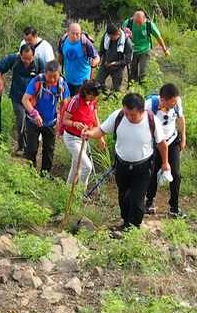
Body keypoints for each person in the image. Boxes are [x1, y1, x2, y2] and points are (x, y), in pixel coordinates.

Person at [84, 93, 170, 230]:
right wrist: (90, 133)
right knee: (123, 196)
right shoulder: (118, 116)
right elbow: (101, 131)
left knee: (137, 199)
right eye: (126, 113)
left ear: (142, 111)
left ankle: (133, 228)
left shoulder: (151, 120)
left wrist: (165, 163)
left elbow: (162, 144)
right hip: (122, 164)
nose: (129, 117)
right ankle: (125, 222)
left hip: (143, 166)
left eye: (133, 115)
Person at [144, 83, 187, 218]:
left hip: (172, 140)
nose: (174, 105)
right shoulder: (149, 105)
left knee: (176, 174)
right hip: (155, 143)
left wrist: (183, 136)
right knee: (153, 172)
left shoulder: (177, 102)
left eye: (175, 102)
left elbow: (180, 119)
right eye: (171, 103)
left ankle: (174, 208)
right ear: (163, 99)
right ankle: (149, 202)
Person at [0, 45, 44, 154]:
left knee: (32, 122)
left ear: (33, 56)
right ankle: (21, 146)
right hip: (17, 97)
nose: (26, 61)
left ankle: (31, 148)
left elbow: (47, 77)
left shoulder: (39, 62)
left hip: (33, 99)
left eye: (29, 59)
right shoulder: (14, 59)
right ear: (20, 55)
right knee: (21, 121)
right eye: (24, 58)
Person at [21, 60, 70, 174]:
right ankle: (31, 173)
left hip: (50, 122)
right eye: (49, 77)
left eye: (55, 77)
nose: (52, 80)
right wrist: (35, 113)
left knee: (49, 149)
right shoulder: (37, 81)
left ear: (59, 74)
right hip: (33, 121)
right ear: (45, 73)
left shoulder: (62, 84)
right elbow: (25, 99)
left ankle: (45, 174)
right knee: (31, 149)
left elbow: (66, 104)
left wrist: (61, 121)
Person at [60, 80, 107, 187]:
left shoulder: (93, 101)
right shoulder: (75, 101)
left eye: (96, 96)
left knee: (76, 165)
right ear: (86, 92)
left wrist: (100, 137)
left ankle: (68, 189)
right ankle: (81, 193)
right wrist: (75, 124)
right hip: (72, 138)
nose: (94, 98)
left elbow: (95, 119)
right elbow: (64, 120)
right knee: (87, 166)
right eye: (92, 95)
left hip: (84, 138)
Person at [122, 10, 169, 85]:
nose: (137, 24)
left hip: (145, 50)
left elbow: (158, 37)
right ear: (133, 18)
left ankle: (143, 88)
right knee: (132, 72)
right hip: (132, 50)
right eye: (136, 22)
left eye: (139, 23)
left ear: (144, 19)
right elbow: (121, 36)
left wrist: (165, 50)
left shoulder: (149, 25)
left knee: (143, 71)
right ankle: (132, 88)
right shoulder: (127, 23)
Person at [57, 22, 100, 96]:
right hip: (68, 79)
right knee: (68, 101)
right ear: (68, 32)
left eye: (78, 34)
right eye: (73, 33)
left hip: (82, 80)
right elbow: (60, 55)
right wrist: (58, 70)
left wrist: (94, 62)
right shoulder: (63, 41)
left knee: (79, 102)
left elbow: (97, 57)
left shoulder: (85, 43)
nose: (75, 36)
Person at [96, 23, 134, 92]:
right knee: (98, 83)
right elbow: (101, 50)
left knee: (117, 89)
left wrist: (115, 63)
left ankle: (113, 99)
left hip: (118, 67)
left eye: (112, 36)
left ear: (118, 33)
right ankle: (104, 95)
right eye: (109, 36)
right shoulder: (106, 36)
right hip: (105, 64)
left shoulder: (127, 42)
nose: (111, 38)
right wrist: (98, 59)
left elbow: (128, 60)